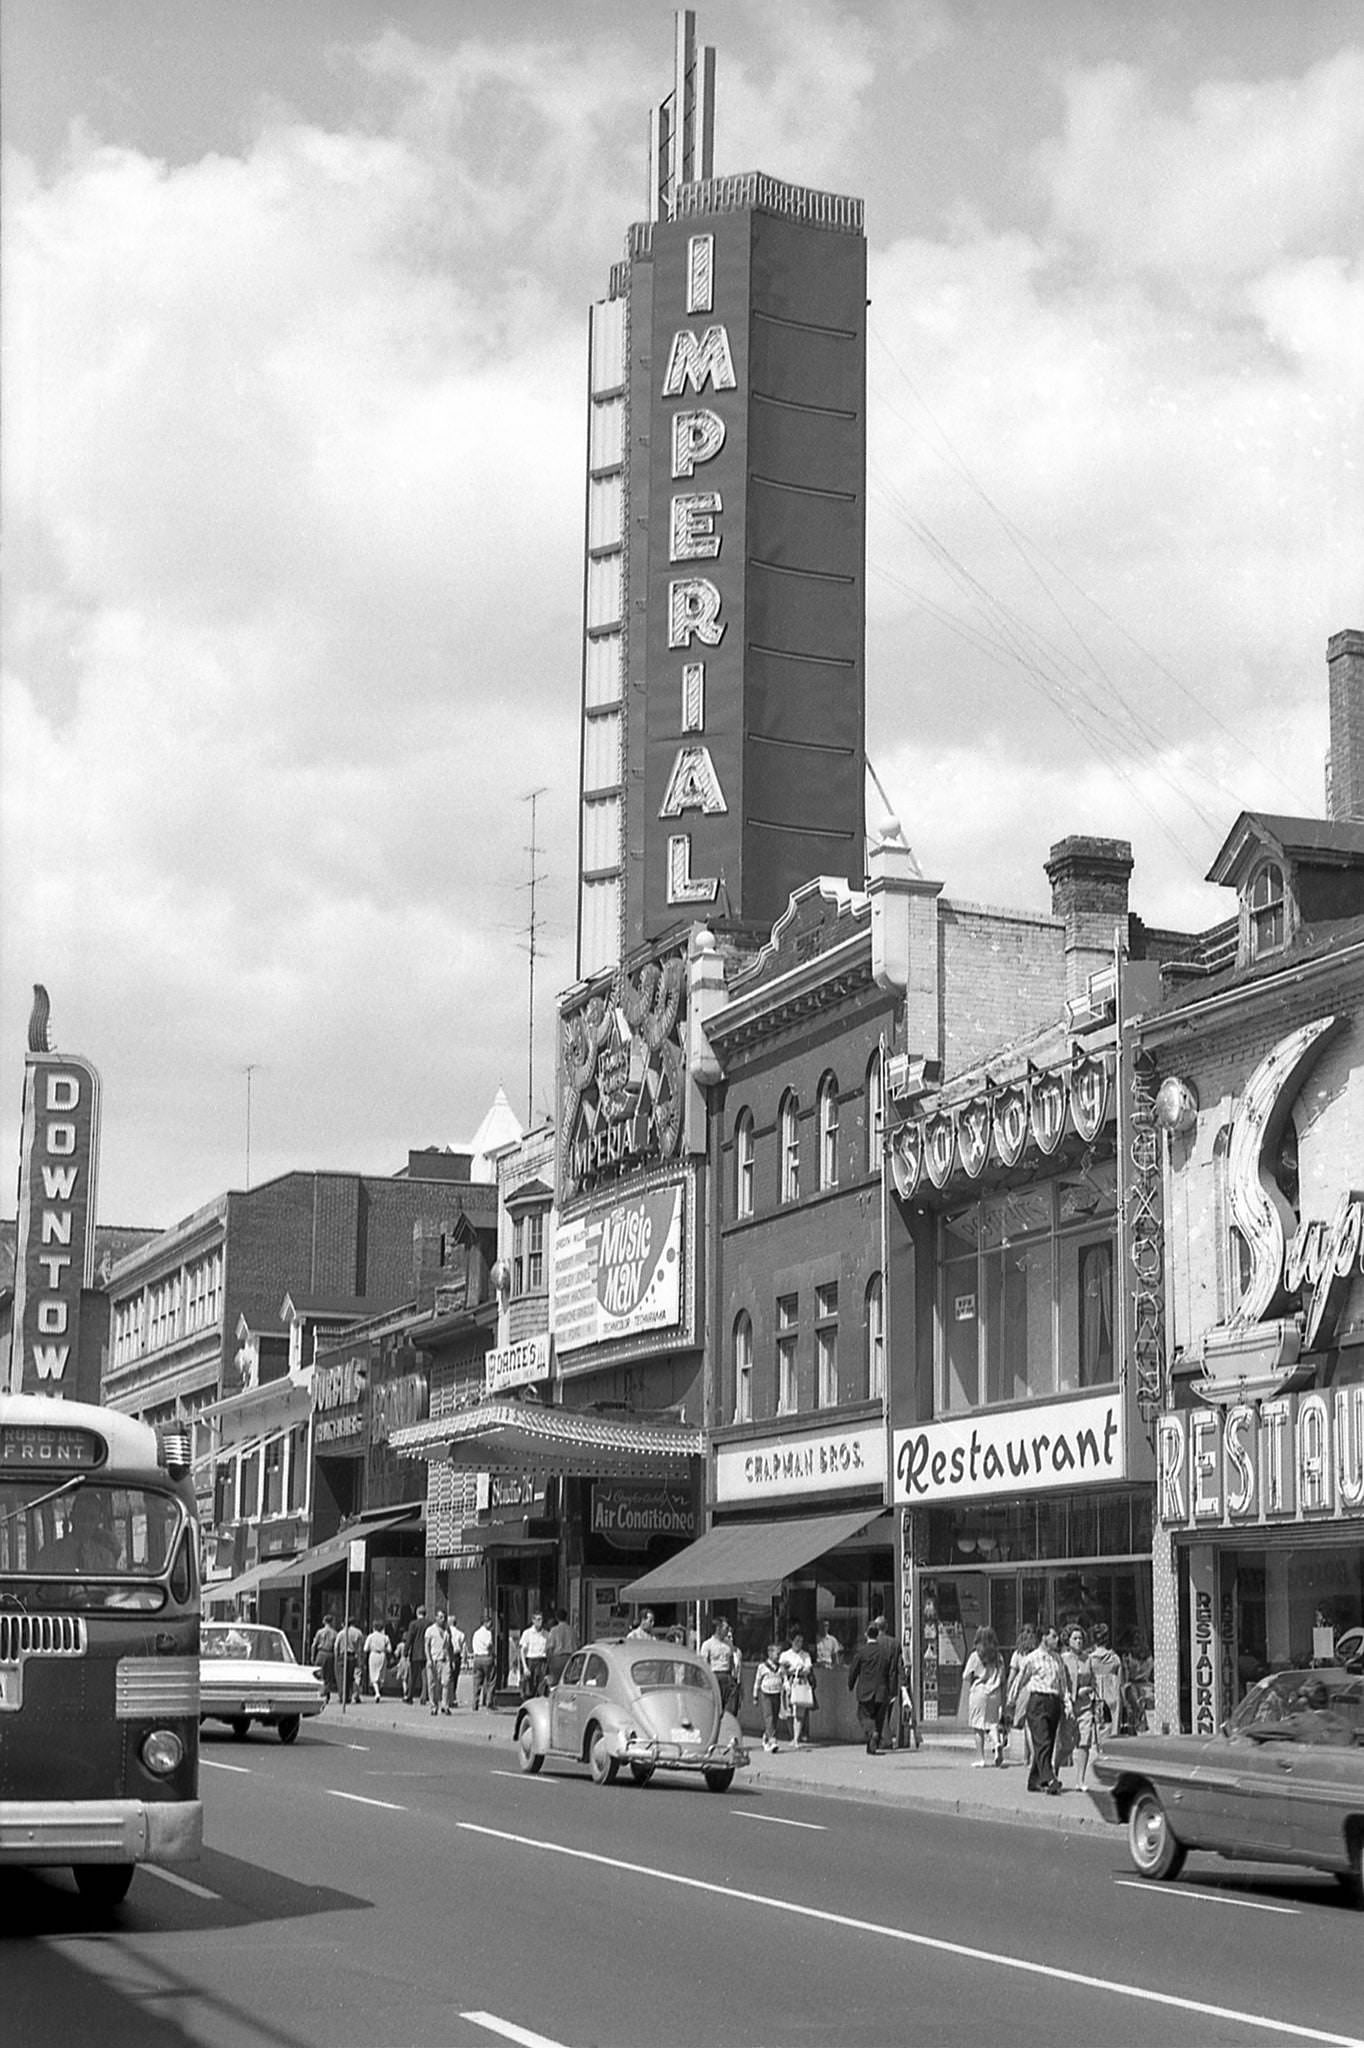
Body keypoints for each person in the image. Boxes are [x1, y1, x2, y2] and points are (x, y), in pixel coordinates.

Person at [1011, 1623, 1072, 1795]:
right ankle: (1050, 1778)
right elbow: (1020, 1680)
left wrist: (1067, 1704)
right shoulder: (1032, 1658)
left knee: (1048, 1742)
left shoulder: (1057, 1659)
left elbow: (1062, 1684)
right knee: (1042, 1740)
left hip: (1054, 1702)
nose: (1057, 1640)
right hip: (1038, 1701)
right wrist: (1011, 1701)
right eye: (1053, 1636)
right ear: (1044, 1637)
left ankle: (1034, 1780)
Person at [846, 1621, 900, 1756]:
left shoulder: (862, 1651)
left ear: (866, 1635)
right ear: (877, 1635)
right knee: (879, 1718)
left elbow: (854, 1670)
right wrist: (891, 1689)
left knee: (863, 1715)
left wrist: (851, 1684)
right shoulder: (884, 1653)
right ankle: (872, 1747)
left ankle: (872, 1733)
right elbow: (891, 1671)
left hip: (865, 1692)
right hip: (882, 1691)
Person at [40, 1490, 124, 1573]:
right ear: (72, 1516)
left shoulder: (105, 1558)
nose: (86, 1523)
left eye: (92, 1518)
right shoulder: (50, 1554)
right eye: (81, 1516)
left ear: (98, 1521)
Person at [961, 1624, 1007, 1766]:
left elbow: (966, 1676)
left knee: (978, 1726)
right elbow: (1003, 1677)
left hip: (979, 1692)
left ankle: (981, 1758)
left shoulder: (975, 1656)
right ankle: (996, 1742)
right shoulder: (998, 1657)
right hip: (995, 1693)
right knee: (992, 1723)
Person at [1060, 1624, 1097, 1785]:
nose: (1078, 1641)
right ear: (1068, 1640)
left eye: (1081, 1638)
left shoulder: (1088, 1659)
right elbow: (1061, 1683)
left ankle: (1080, 1780)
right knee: (1067, 1745)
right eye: (1075, 1638)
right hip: (1068, 1707)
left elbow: (1094, 1680)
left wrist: (1089, 1689)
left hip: (1085, 1706)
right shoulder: (1063, 1659)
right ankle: (1054, 1770)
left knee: (1084, 1742)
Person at [1088, 1621, 1123, 1757]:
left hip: (1097, 1697)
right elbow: (1120, 1682)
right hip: (1113, 1697)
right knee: (1113, 1729)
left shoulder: (1090, 1660)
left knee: (1098, 1730)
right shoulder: (1115, 1659)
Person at [1004, 1624, 1037, 1767]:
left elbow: (1012, 1676)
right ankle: (1028, 1757)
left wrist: (1009, 1692)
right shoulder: (1037, 1653)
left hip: (1023, 1690)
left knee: (1026, 1725)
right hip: (1036, 1689)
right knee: (1032, 1724)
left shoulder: (1017, 1654)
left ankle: (1030, 1757)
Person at [779, 1631, 816, 1747]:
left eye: (801, 1641)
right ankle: (792, 1735)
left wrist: (797, 1670)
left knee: (799, 1711)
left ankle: (796, 1738)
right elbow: (782, 1670)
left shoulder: (805, 1655)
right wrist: (786, 1678)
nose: (799, 1643)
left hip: (801, 1682)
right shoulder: (785, 1655)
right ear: (792, 1641)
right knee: (789, 1712)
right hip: (789, 1683)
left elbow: (807, 1669)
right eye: (797, 1641)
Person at [699, 1616, 742, 1716]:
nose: (727, 1630)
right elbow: (704, 1663)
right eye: (725, 1628)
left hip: (727, 1675)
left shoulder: (729, 1643)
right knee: (716, 1706)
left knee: (731, 1707)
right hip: (714, 1676)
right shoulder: (707, 1644)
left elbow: (731, 1660)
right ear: (718, 1628)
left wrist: (734, 1676)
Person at [752, 1642, 785, 1751]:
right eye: (777, 1653)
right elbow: (757, 1681)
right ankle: (772, 1740)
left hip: (777, 1693)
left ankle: (766, 1736)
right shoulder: (762, 1667)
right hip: (766, 1693)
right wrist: (755, 1695)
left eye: (779, 1653)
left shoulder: (781, 1667)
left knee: (775, 1717)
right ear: (770, 1653)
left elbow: (784, 1678)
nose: (778, 1656)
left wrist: (787, 1687)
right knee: (769, 1716)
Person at [425, 1609, 456, 1714]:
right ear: (436, 1618)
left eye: (444, 1617)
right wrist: (428, 1659)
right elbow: (426, 1646)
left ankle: (445, 1705)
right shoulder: (430, 1630)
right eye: (441, 1617)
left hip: (445, 1660)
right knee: (433, 1684)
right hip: (434, 1660)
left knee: (446, 1683)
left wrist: (452, 1660)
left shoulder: (447, 1630)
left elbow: (450, 1646)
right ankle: (433, 1706)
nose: (443, 1619)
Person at [519, 1609, 549, 1697]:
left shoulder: (546, 1634)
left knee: (541, 1687)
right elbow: (522, 1650)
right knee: (529, 1688)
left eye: (541, 1619)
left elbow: (549, 1650)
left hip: (542, 1661)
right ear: (533, 1620)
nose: (539, 1622)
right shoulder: (527, 1633)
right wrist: (525, 1667)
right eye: (537, 1619)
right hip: (531, 1661)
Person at [545, 1607, 577, 1688]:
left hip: (557, 1659)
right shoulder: (572, 1630)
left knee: (555, 1683)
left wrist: (549, 1661)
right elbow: (576, 1646)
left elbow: (549, 1648)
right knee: (568, 1683)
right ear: (566, 1617)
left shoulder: (554, 1630)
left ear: (557, 1618)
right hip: (569, 1659)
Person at [470, 1612, 496, 1708]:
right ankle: (489, 1702)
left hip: (477, 1658)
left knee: (477, 1682)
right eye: (489, 1623)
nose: (491, 1625)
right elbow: (489, 1645)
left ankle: (475, 1703)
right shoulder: (488, 1633)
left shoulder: (476, 1633)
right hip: (486, 1657)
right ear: (486, 1623)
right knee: (490, 1680)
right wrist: (492, 1653)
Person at [403, 1605, 427, 1706]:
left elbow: (409, 1638)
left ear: (417, 1613)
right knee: (425, 1676)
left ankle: (410, 1696)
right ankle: (424, 1697)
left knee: (413, 1676)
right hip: (426, 1653)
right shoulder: (429, 1623)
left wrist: (405, 1651)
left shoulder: (413, 1624)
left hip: (415, 1653)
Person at [311, 1615, 338, 1703]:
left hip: (321, 1653)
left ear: (324, 1621)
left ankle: (320, 1692)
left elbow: (314, 1645)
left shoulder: (320, 1632)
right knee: (328, 1675)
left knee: (318, 1674)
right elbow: (335, 1647)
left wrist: (312, 1656)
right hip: (330, 1654)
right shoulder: (335, 1633)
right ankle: (327, 1693)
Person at [336, 1616, 363, 1704]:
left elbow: (336, 1646)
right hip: (352, 1656)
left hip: (342, 1656)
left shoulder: (341, 1633)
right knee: (351, 1677)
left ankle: (343, 1696)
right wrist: (359, 1660)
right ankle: (350, 1696)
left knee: (342, 1677)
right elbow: (359, 1648)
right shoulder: (358, 1633)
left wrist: (336, 1657)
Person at [363, 1618, 389, 1703]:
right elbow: (389, 1649)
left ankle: (377, 1693)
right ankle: (379, 1688)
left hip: (373, 1655)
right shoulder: (385, 1637)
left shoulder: (370, 1636)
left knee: (373, 1675)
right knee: (381, 1674)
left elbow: (365, 1649)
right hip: (382, 1655)